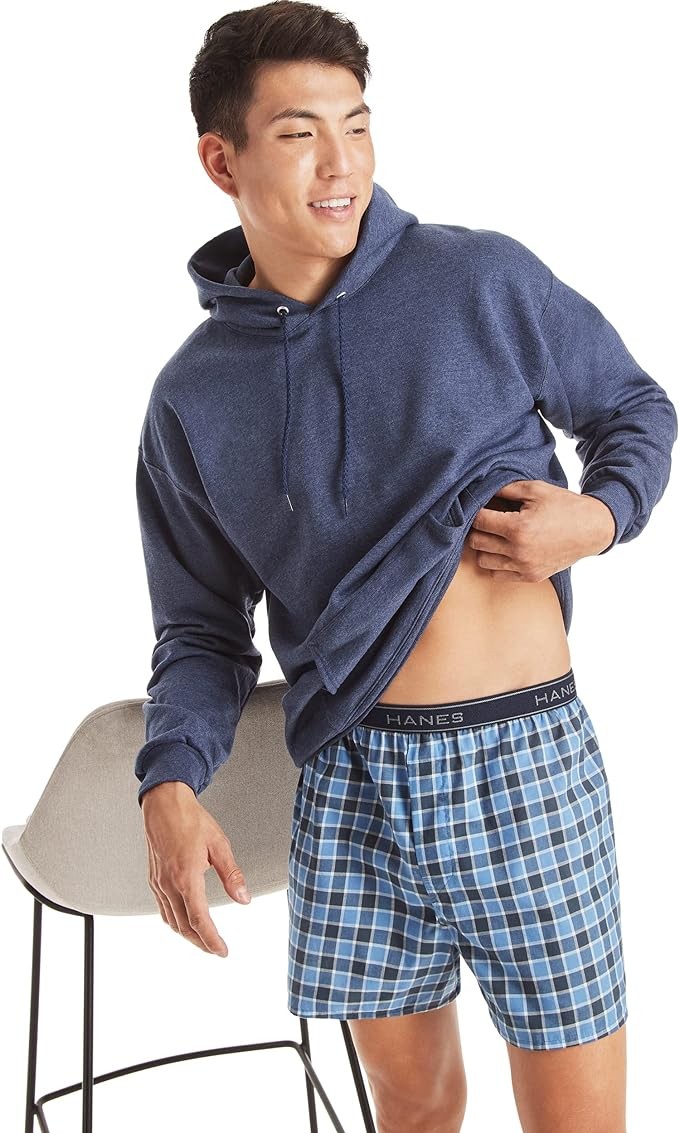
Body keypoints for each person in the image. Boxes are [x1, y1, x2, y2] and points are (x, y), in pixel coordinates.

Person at [134, 3, 677, 1131]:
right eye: (300, 134)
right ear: (221, 160)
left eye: (357, 125)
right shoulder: (192, 395)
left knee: (578, 1120)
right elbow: (201, 628)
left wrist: (600, 516)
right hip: (354, 778)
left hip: (523, 763)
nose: (341, 164)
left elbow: (632, 407)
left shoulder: (477, 278)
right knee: (414, 1109)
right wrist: (168, 782)